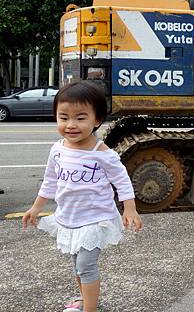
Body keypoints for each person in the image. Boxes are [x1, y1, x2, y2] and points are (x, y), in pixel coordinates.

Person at [22, 81, 142, 312]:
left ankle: (90, 309)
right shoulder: (57, 149)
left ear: (97, 120)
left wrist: (130, 209)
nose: (71, 125)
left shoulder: (102, 153)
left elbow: (122, 180)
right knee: (77, 265)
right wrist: (36, 208)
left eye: (80, 118)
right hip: (69, 219)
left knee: (86, 265)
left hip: (95, 220)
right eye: (64, 117)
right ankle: (85, 300)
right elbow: (50, 181)